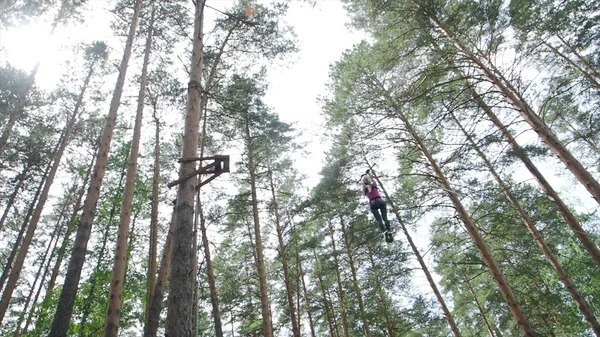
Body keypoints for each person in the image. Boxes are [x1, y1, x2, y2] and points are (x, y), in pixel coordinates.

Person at [362, 171, 392, 241]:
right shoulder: (374, 186)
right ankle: (389, 231)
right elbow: (372, 180)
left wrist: (363, 179)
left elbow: (364, 185)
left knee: (379, 220)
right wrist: (368, 174)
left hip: (373, 204)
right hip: (380, 202)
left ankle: (384, 232)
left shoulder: (365, 190)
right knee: (385, 218)